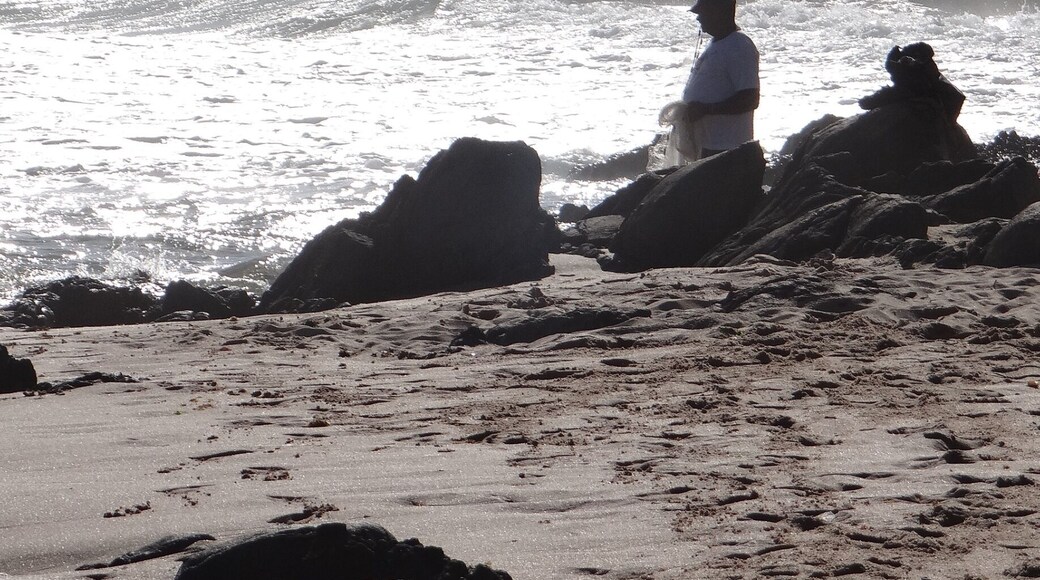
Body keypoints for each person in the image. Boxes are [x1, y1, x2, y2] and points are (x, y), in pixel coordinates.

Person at [680, 0, 760, 159]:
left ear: (719, 12)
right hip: (708, 147)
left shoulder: (739, 45)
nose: (698, 18)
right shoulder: (716, 43)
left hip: (728, 149)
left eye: (703, 13)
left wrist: (706, 109)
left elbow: (750, 99)